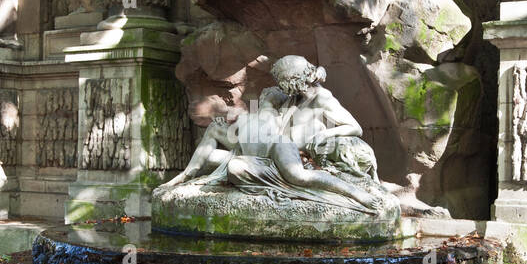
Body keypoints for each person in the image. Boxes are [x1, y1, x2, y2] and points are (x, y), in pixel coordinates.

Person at [160, 55, 384, 214]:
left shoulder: (322, 98)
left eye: (281, 82)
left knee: (299, 177)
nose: (278, 86)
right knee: (215, 128)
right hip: (265, 146)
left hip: (284, 150)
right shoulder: (291, 98)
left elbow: (355, 127)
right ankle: (185, 175)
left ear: (291, 81)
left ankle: (355, 193)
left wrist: (326, 135)